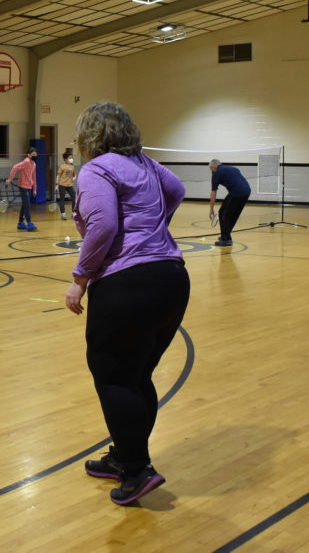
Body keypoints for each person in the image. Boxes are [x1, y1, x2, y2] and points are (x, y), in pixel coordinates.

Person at [65, 102, 189, 505]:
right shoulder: (146, 165)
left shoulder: (96, 169)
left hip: (127, 283)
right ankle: (123, 456)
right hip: (171, 278)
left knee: (115, 377)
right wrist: (153, 228)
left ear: (89, 136)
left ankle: (137, 470)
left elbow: (103, 225)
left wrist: (80, 279)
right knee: (136, 376)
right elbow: (177, 190)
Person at [208, 159, 251, 247]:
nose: (211, 171)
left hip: (236, 193)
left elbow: (213, 193)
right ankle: (226, 236)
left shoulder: (216, 173)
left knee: (225, 214)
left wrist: (211, 209)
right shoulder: (233, 168)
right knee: (230, 214)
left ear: (213, 166)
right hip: (246, 191)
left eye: (211, 169)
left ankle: (226, 239)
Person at [6, 147, 38, 231]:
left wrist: (35, 189)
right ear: (29, 155)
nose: (35, 156)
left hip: (29, 186)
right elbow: (15, 167)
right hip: (23, 186)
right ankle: (29, 222)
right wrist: (10, 179)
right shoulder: (26, 162)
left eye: (36, 154)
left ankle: (20, 223)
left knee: (25, 204)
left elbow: (34, 177)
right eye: (33, 154)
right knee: (27, 204)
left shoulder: (34, 164)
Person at [56, 151, 77, 220]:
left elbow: (74, 175)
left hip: (70, 185)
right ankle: (63, 214)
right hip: (62, 185)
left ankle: (74, 213)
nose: (71, 159)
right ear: (65, 159)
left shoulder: (72, 167)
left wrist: (74, 178)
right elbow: (58, 176)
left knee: (74, 197)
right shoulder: (62, 167)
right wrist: (56, 184)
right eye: (70, 158)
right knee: (62, 199)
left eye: (72, 158)